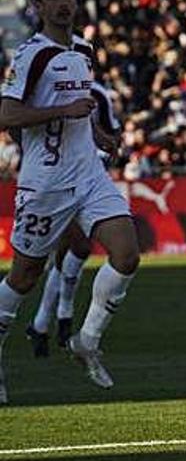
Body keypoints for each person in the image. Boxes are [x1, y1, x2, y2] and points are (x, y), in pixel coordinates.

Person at [0, 0, 140, 404]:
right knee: (24, 276)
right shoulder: (30, 56)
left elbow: (83, 110)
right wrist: (60, 111)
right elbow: (7, 116)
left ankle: (86, 340)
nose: (64, 3)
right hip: (45, 181)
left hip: (88, 175)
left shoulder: (83, 50)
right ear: (38, 5)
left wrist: (99, 135)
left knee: (127, 252)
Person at [25, 81, 122, 357]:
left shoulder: (99, 94)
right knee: (42, 261)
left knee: (76, 248)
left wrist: (102, 153)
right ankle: (51, 320)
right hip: (51, 179)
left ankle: (47, 322)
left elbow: (112, 133)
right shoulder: (44, 90)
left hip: (86, 180)